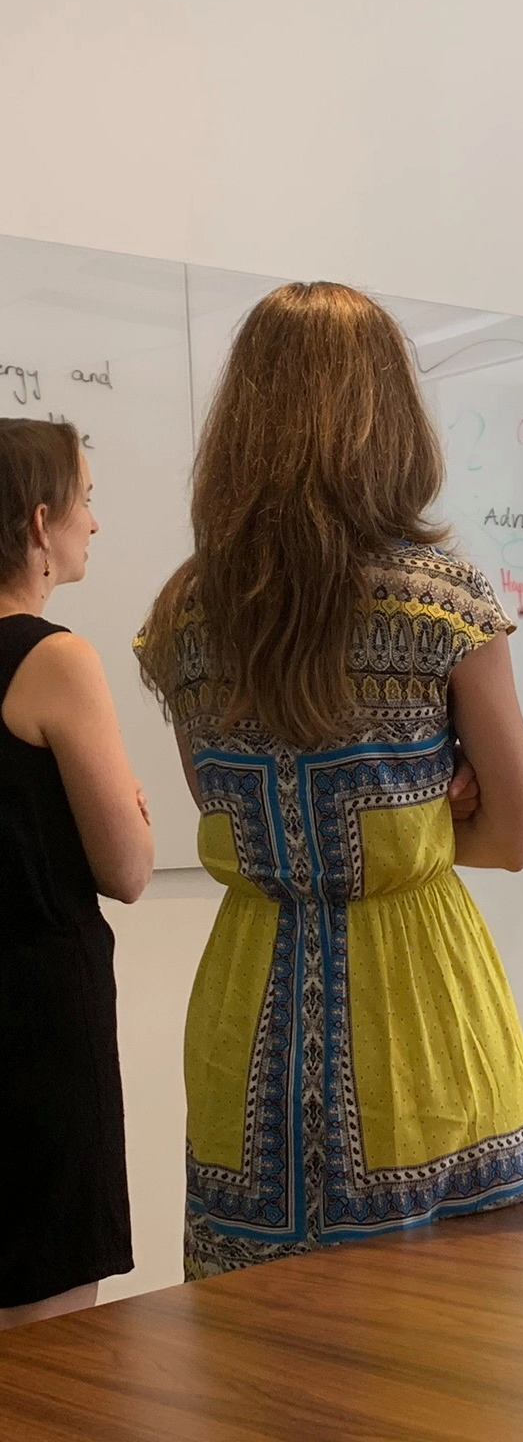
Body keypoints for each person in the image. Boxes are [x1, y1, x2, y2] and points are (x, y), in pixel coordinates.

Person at [136, 283, 523, 1281]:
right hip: (418, 996)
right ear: (390, 415)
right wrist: (435, 808)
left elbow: (221, 808)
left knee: (260, 1334)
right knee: (453, 1327)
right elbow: (512, 835)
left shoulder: (185, 614)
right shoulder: (443, 601)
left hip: (249, 1004)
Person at [0, 420, 153, 1328]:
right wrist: (131, 805)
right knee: (50, 1343)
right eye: (85, 501)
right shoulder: (55, 658)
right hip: (36, 1027)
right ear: (39, 522)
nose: (93, 522)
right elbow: (128, 867)